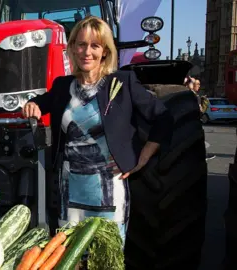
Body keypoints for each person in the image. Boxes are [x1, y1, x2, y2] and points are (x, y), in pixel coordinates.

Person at [22, 16, 173, 244]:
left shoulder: (122, 83)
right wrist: (32, 105)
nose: (87, 52)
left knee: (106, 254)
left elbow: (164, 118)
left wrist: (143, 155)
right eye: (81, 44)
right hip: (69, 188)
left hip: (109, 187)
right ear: (72, 48)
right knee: (69, 253)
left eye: (95, 45)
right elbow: (38, 103)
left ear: (105, 51)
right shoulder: (63, 86)